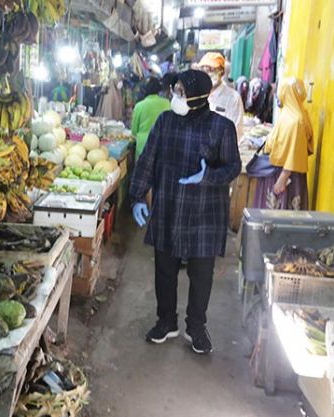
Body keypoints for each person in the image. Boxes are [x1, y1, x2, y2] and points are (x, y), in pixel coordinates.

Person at [130, 70, 241, 354]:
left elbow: (232, 168)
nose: (175, 96)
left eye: (180, 92)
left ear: (198, 97)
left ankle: (196, 327)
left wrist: (207, 177)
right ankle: (166, 321)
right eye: (175, 90)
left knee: (201, 274)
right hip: (168, 207)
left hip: (204, 213)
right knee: (164, 270)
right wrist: (138, 196)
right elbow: (148, 159)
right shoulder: (166, 121)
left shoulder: (221, 127)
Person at [253, 77, 313, 210]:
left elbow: (294, 150)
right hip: (283, 171)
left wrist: (283, 177)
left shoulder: (294, 120)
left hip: (283, 174)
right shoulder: (295, 114)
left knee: (280, 212)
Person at [198, 52, 245, 139]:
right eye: (204, 70)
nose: (207, 74)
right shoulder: (196, 95)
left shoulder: (233, 98)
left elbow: (236, 132)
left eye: (211, 70)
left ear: (222, 72)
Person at [131, 77, 171, 159]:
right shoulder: (167, 103)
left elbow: (134, 131)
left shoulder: (139, 106)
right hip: (162, 144)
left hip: (143, 145)